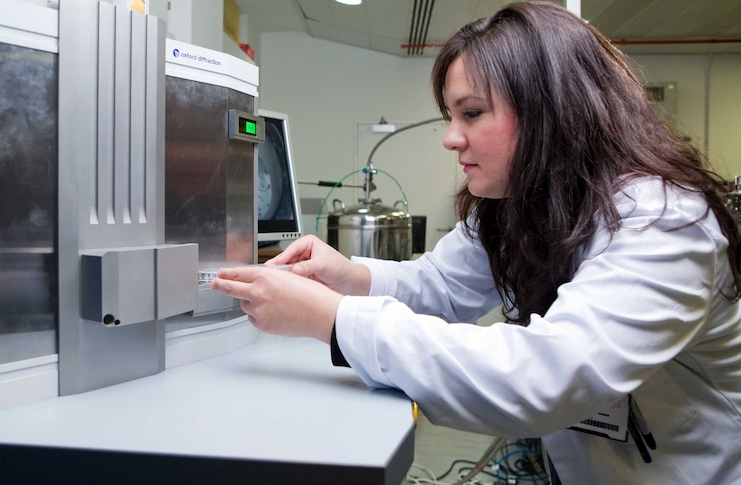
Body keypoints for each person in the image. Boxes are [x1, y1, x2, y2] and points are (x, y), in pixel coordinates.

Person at [211, 2, 741, 483]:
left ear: (551, 111)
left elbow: (545, 378)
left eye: (471, 113)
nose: (450, 137)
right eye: (450, 116)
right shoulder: (522, 203)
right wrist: (347, 277)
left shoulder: (664, 221)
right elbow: (440, 286)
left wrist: (332, 319)